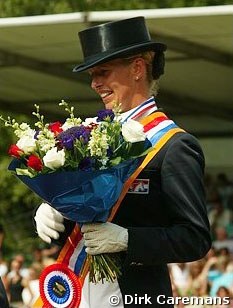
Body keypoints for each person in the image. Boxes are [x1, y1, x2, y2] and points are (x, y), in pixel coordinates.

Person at [34, 16, 211, 307]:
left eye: (102, 72)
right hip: (75, 290)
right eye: (91, 75)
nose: (94, 83)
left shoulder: (174, 145)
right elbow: (82, 219)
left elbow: (194, 238)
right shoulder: (88, 135)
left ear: (138, 68)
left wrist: (128, 239)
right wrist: (51, 210)